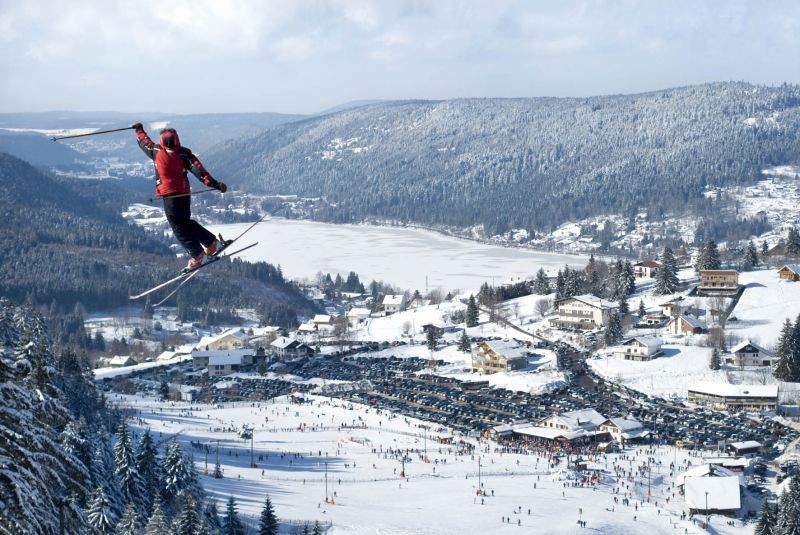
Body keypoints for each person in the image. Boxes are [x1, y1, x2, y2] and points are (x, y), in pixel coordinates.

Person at [132, 122, 227, 269]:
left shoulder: (156, 151)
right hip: (184, 193)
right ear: (177, 139)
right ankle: (211, 242)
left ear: (162, 140)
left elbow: (144, 142)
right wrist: (215, 184)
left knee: (178, 228)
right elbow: (200, 172)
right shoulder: (184, 153)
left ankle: (198, 255)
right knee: (185, 222)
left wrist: (139, 130)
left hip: (169, 196)